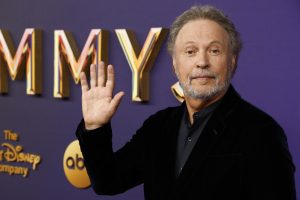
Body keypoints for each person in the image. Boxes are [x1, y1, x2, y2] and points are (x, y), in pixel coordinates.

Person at [75, 5, 296, 200]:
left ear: (232, 61)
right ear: (175, 64)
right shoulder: (158, 126)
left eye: (214, 50)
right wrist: (95, 128)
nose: (202, 62)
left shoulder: (262, 132)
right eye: (190, 51)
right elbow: (108, 182)